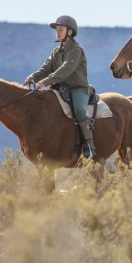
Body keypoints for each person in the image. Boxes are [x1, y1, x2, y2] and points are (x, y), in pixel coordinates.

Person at [25, 15, 96, 158]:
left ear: (70, 32)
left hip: (78, 89)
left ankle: (90, 144)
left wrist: (45, 82)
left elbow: (65, 70)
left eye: (61, 29)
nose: (57, 32)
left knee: (79, 110)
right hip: (60, 89)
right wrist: (33, 77)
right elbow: (45, 68)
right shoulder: (56, 52)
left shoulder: (76, 50)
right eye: (56, 30)